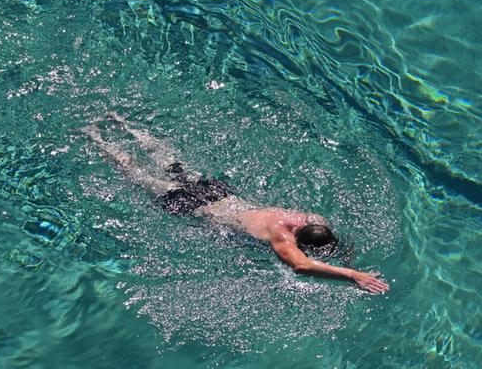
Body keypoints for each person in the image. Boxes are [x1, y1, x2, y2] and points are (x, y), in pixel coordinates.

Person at [83, 116, 389, 294]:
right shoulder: (281, 238)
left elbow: (339, 240)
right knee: (138, 175)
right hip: (196, 207)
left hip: (219, 194)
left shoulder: (309, 218)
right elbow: (300, 265)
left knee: (171, 163)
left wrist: (349, 262)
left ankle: (123, 123)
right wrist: (351, 275)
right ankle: (96, 139)